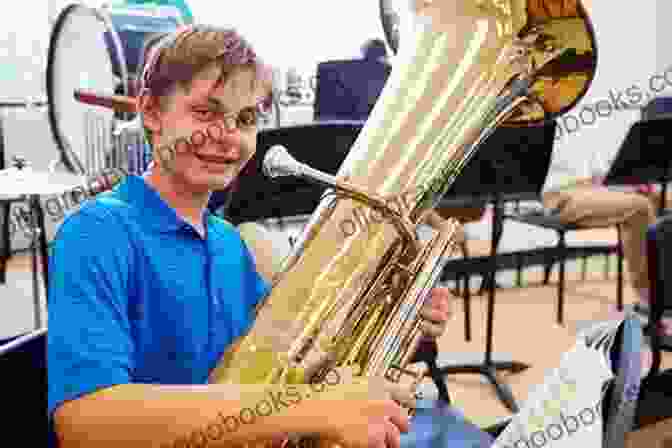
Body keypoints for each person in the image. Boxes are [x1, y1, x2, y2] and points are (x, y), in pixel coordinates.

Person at [47, 24, 492, 448]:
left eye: (244, 119)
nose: (226, 137)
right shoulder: (95, 233)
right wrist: (314, 407)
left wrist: (402, 324)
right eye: (206, 112)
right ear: (150, 111)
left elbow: (292, 371)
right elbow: (86, 423)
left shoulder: (229, 244)